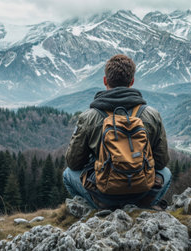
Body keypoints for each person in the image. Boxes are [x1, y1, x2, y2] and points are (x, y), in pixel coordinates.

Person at [63, 54, 171, 210]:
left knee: (67, 174)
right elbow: (161, 162)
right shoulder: (151, 115)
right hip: (142, 191)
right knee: (165, 173)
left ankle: (98, 208)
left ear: (105, 81)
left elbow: (73, 163)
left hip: (105, 194)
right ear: (132, 82)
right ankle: (142, 205)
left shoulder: (89, 117)